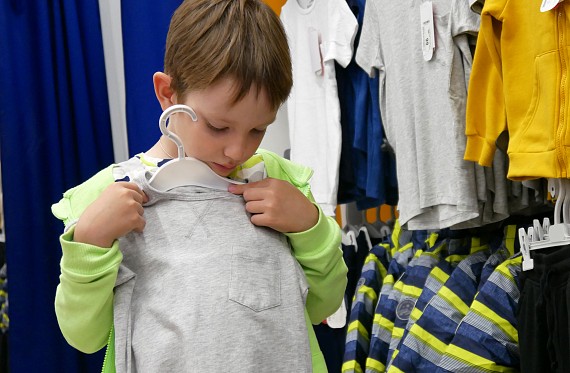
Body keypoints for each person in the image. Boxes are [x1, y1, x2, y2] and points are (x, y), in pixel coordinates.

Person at [52, 0, 348, 372]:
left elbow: (323, 304)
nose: (237, 149)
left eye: (258, 129)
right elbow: (84, 336)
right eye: (218, 127)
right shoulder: (107, 196)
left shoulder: (278, 181)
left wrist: (311, 228)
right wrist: (90, 243)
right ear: (167, 94)